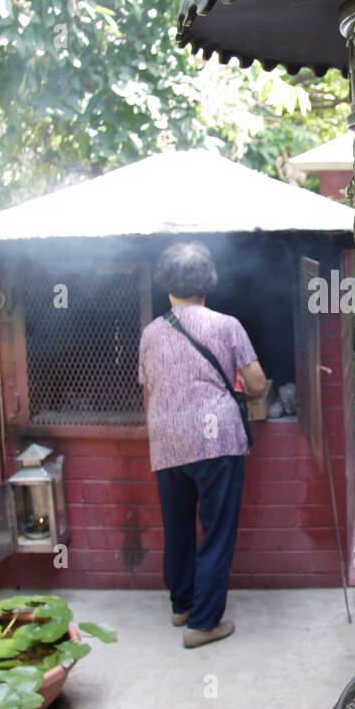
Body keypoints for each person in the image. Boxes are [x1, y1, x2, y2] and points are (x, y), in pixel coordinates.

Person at [138, 241, 266, 648]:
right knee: (215, 532)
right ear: (207, 283)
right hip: (217, 442)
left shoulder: (151, 333)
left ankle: (182, 607)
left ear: (166, 286)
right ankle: (204, 625)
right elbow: (258, 384)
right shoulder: (227, 325)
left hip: (167, 440)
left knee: (177, 528)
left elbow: (150, 388)